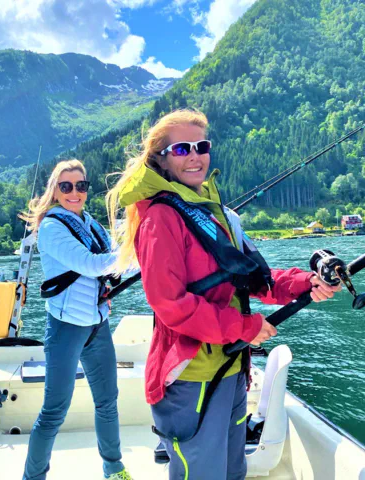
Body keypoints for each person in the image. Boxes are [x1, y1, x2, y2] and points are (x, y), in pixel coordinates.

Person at [106, 110, 340, 480]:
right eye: (181, 149)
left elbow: (253, 276)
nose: (194, 156)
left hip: (232, 367)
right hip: (192, 374)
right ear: (161, 159)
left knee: (232, 470)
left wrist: (304, 283)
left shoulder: (217, 213)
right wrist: (243, 326)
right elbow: (170, 305)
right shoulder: (159, 219)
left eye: (201, 146)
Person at [22, 159, 132, 480]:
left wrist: (149, 254)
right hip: (64, 328)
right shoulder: (52, 229)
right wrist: (134, 253)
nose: (74, 192)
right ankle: (33, 477)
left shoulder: (93, 225)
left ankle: (114, 468)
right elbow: (91, 264)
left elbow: (117, 266)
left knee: (108, 401)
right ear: (55, 191)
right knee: (54, 411)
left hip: (97, 326)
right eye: (66, 186)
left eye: (81, 186)